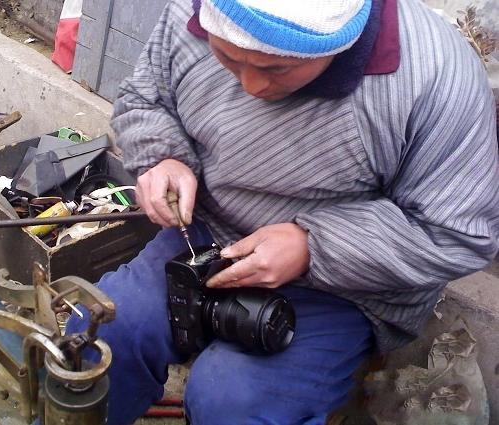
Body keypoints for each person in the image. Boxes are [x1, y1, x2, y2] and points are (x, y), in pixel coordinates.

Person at [68, 0, 499, 423]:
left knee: (232, 400)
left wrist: (314, 246)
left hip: (347, 285)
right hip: (208, 234)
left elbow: (457, 233)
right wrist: (163, 156)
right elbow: (146, 98)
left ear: (338, 43)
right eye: (228, 58)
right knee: (102, 333)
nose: (252, 87)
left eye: (276, 68)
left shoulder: (431, 72)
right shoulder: (189, 13)